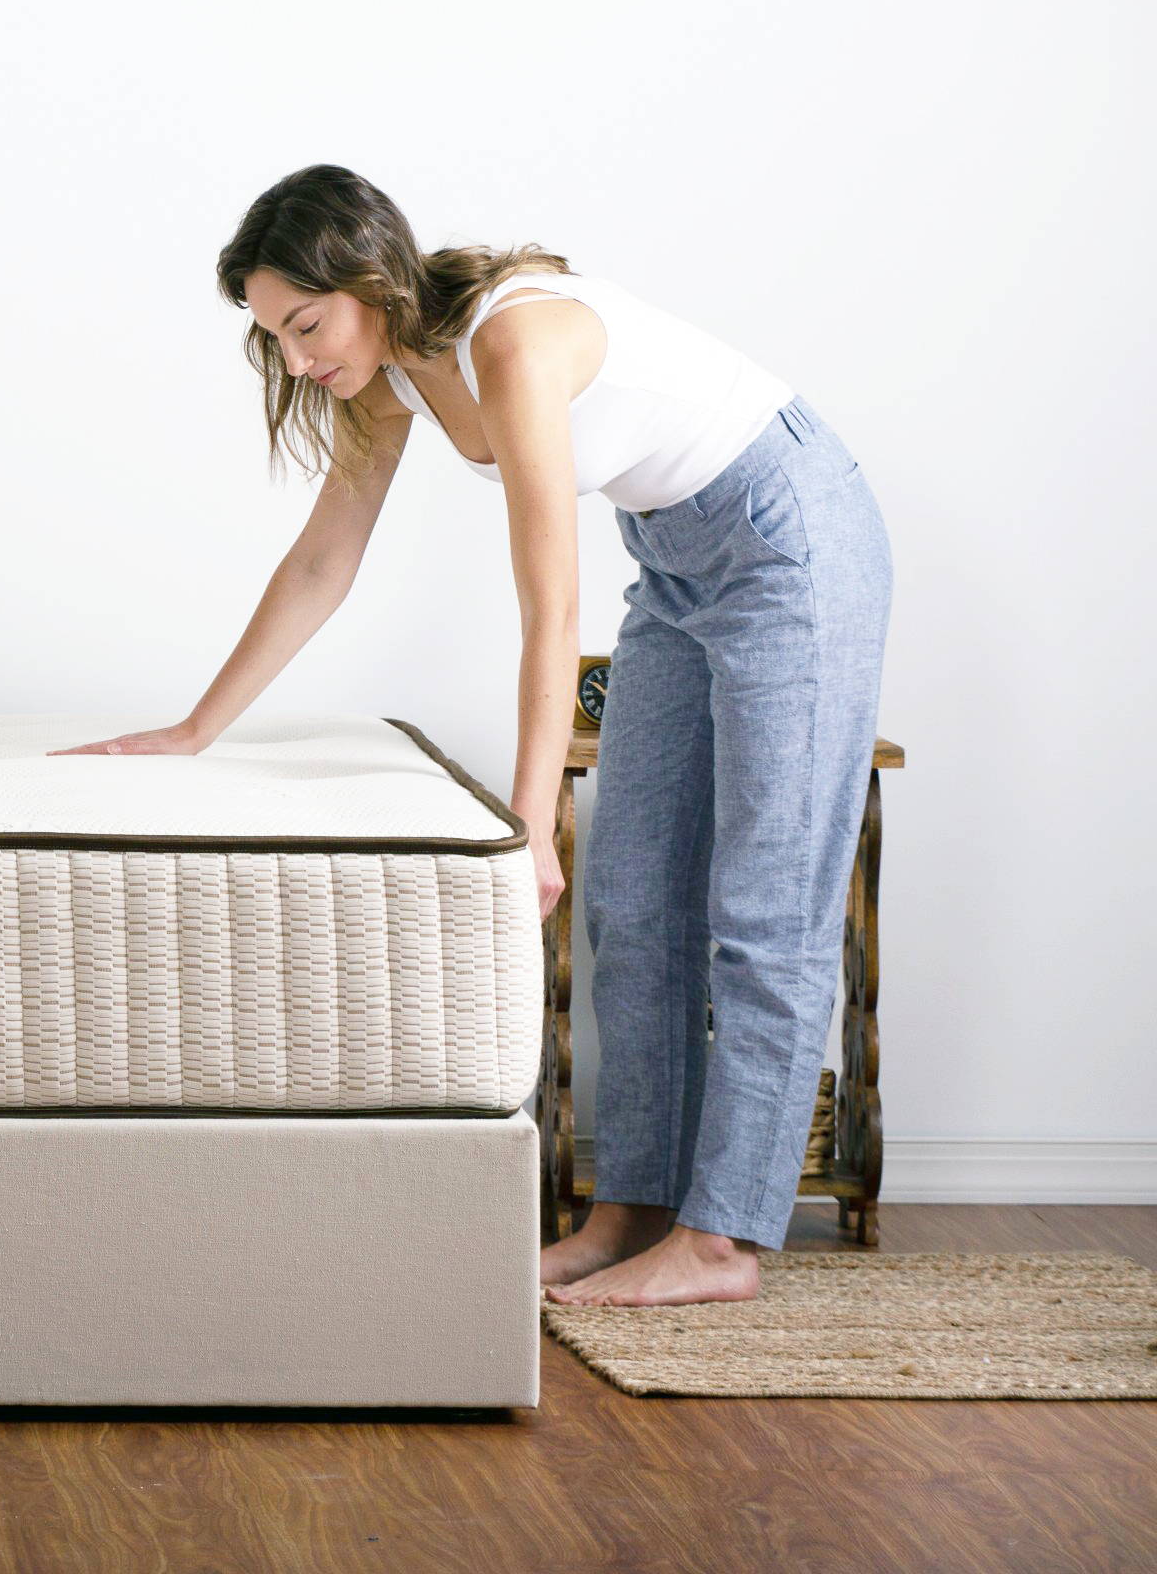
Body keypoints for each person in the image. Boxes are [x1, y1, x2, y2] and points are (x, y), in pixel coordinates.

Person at [59, 163, 890, 1308]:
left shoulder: (511, 345)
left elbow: (550, 606)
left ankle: (723, 1241)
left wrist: (530, 819)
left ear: (367, 277)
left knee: (764, 905)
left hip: (787, 534)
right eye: (276, 336)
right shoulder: (388, 373)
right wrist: (196, 729)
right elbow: (321, 559)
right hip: (680, 559)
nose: (298, 358)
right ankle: (631, 1212)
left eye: (306, 324)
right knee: (635, 899)